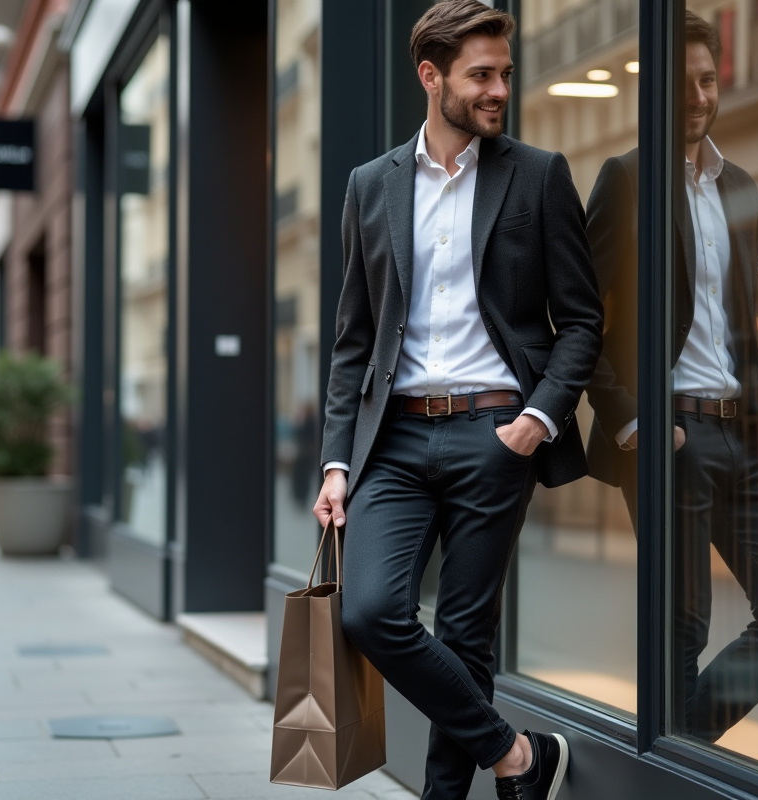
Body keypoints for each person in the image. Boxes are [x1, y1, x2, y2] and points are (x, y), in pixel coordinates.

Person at [311, 3, 603, 798]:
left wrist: (535, 421)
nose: (498, 89)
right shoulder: (370, 186)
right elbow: (352, 341)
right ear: (431, 76)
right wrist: (337, 462)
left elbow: (581, 321)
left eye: (504, 73)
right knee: (372, 614)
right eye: (481, 74)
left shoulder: (538, 176)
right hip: (394, 443)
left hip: (493, 432)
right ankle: (518, 757)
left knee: (466, 637)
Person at [583, 11, 758, 744]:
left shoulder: (739, 188)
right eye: (682, 82)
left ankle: (675, 752)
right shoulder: (626, 180)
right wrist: (631, 418)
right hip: (669, 437)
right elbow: (578, 319)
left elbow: (744, 334)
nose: (697, 96)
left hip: (745, 440)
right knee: (681, 628)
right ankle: (674, 771)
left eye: (707, 79)